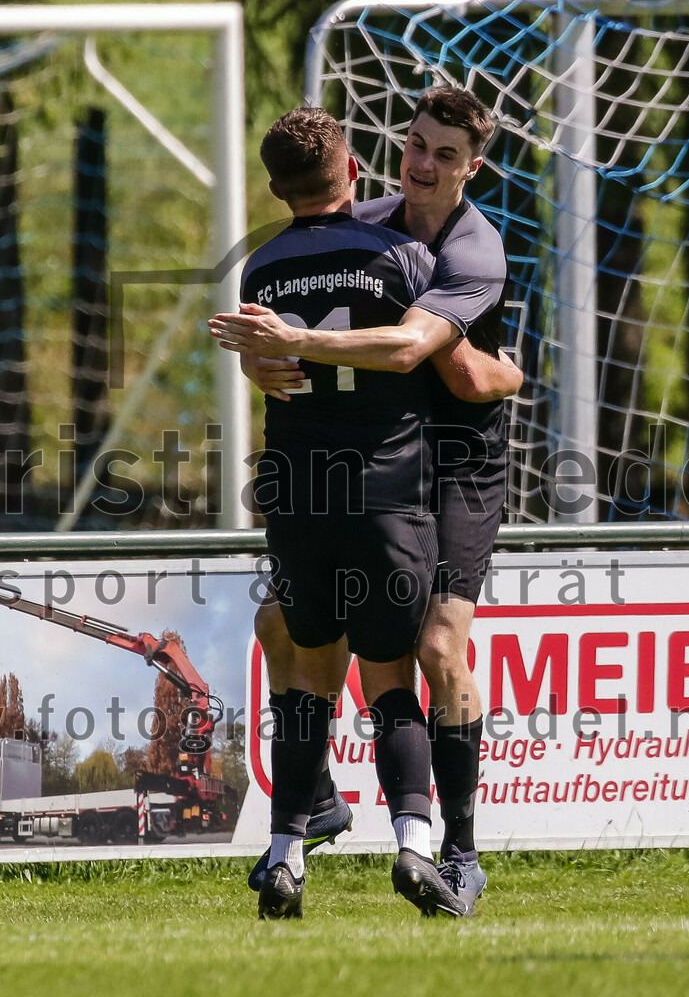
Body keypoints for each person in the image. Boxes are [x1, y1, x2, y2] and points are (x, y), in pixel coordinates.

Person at [211, 86, 520, 911]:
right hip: (387, 449)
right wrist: (259, 362)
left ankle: (458, 852)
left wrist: (503, 373)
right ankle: (313, 802)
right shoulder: (369, 219)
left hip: (459, 455)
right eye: (415, 144)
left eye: (443, 155)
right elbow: (296, 326)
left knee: (436, 646)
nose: (420, 164)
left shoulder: (472, 249)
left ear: (471, 168)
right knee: (278, 622)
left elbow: (439, 360)